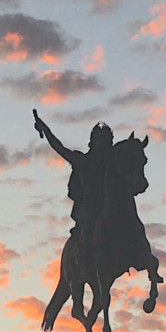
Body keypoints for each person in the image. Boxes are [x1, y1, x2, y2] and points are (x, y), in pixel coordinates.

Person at [32, 109, 113, 260]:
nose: (103, 145)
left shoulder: (112, 162)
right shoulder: (83, 161)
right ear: (93, 142)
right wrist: (45, 129)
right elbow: (60, 148)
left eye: (106, 141)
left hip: (109, 205)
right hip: (89, 208)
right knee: (87, 231)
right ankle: (82, 261)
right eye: (100, 140)